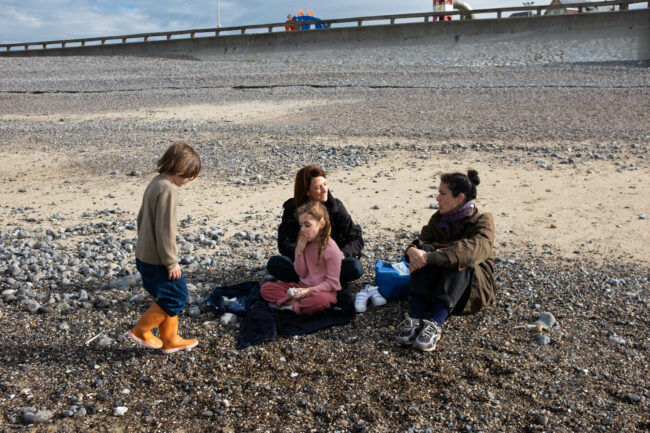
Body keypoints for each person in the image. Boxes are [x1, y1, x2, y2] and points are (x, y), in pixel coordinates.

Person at [396, 169, 495, 352]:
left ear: (460, 198)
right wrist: (412, 250)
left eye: (443, 193)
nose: (437, 198)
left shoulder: (482, 220)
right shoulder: (439, 218)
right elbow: (423, 241)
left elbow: (472, 251)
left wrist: (430, 257)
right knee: (424, 250)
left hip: (468, 290)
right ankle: (415, 317)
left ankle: (435, 323)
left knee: (460, 259)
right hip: (439, 288)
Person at [126, 142, 202, 354]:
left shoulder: (156, 182)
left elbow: (140, 218)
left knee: (168, 297)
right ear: (180, 169)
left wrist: (143, 245)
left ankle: (170, 340)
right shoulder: (168, 190)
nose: (190, 179)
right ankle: (141, 330)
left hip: (144, 255)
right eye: (190, 175)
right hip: (158, 260)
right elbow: (165, 231)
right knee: (177, 296)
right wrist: (171, 262)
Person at [267, 165, 364, 286]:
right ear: (307, 191)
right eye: (318, 187)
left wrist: (342, 254)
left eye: (325, 184)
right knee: (275, 263)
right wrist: (305, 256)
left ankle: (313, 282)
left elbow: (356, 238)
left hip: (332, 263)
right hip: (303, 265)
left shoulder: (336, 207)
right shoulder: (292, 209)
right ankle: (323, 282)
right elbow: (284, 244)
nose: (324, 190)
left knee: (355, 267)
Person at [261, 201, 342, 314]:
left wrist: (308, 291)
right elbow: (301, 273)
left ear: (321, 224)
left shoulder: (331, 249)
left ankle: (289, 306)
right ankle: (295, 305)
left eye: (307, 225)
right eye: (301, 225)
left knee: (321, 301)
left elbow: (332, 283)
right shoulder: (306, 242)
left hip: (323, 291)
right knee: (266, 288)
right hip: (301, 287)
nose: (303, 229)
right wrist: (299, 251)